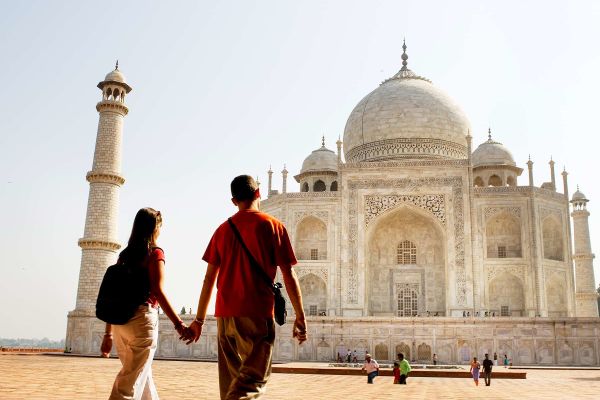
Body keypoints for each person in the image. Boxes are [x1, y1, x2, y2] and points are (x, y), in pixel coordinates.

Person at [184, 175, 307, 399]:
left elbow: (209, 279)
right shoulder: (273, 226)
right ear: (258, 194)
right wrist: (300, 315)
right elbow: (288, 274)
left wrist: (199, 320)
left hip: (225, 315)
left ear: (233, 201)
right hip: (257, 313)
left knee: (231, 382)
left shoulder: (222, 230)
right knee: (252, 381)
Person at [100, 208, 186, 400]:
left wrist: (108, 333)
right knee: (128, 384)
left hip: (120, 323)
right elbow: (158, 291)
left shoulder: (124, 255)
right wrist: (179, 324)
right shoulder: (154, 253)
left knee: (142, 378)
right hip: (142, 320)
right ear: (155, 228)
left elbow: (114, 294)